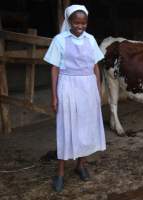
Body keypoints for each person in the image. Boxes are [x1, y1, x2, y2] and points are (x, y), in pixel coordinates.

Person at [43, 4, 106, 192]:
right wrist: (54, 96)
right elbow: (54, 68)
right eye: (77, 22)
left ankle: (81, 165)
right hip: (68, 85)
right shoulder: (59, 40)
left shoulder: (91, 39)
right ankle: (60, 173)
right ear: (69, 21)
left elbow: (95, 66)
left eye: (84, 23)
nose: (80, 26)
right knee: (66, 127)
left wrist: (98, 89)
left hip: (88, 87)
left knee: (86, 126)